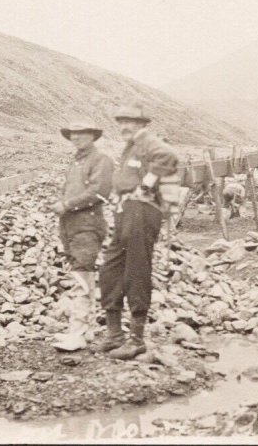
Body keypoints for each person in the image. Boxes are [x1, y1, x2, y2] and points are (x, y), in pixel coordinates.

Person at [95, 105, 179, 360]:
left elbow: (168, 156)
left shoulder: (148, 142)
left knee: (137, 270)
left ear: (142, 124)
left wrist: (147, 184)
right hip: (126, 210)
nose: (124, 126)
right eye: (121, 122)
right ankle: (114, 334)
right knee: (110, 268)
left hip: (142, 210)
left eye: (129, 122)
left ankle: (136, 339)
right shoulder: (131, 145)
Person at [48, 119, 114, 352]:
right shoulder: (75, 162)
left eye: (82, 134)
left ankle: (77, 333)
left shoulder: (101, 161)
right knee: (79, 275)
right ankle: (84, 330)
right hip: (69, 226)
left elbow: (99, 192)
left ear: (93, 136)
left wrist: (67, 204)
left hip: (87, 225)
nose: (76, 138)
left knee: (81, 278)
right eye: (73, 135)